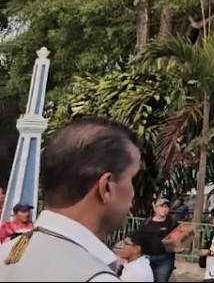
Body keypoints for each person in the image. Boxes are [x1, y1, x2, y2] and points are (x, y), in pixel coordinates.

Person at [0, 117, 141, 281]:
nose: (133, 193)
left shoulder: (7, 254)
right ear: (106, 187)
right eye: (132, 179)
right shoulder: (95, 277)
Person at [133, 198, 178, 282]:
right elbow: (139, 237)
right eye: (162, 206)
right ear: (155, 208)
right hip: (146, 258)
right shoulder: (147, 222)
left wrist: (178, 247)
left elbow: (179, 237)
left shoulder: (172, 222)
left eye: (166, 207)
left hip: (164, 259)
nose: (164, 209)